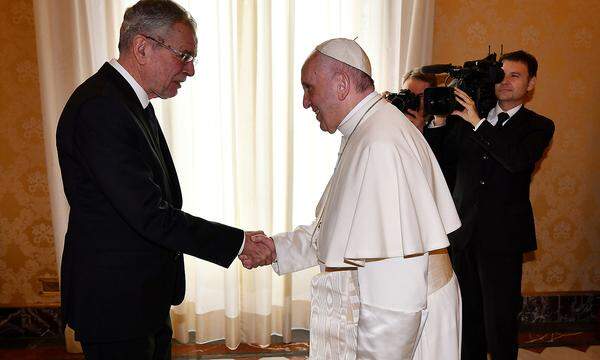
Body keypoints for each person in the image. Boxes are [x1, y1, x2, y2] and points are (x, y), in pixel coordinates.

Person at [56, 1, 274, 358]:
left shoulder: (127, 101)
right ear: (142, 48)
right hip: (115, 302)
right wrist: (236, 242)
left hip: (141, 297)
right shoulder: (100, 108)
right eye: (184, 55)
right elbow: (149, 213)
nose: (190, 69)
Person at [245, 38, 462, 359]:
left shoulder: (381, 144)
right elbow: (335, 226)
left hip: (401, 333)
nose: (306, 102)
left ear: (342, 84)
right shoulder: (368, 129)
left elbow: (396, 301)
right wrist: (277, 248)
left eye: (309, 88)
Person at [424, 50, 555, 360]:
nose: (506, 81)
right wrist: (440, 122)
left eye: (515, 75)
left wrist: (479, 123)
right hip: (463, 232)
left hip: (503, 236)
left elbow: (516, 161)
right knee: (467, 315)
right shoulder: (467, 116)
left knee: (500, 318)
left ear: (531, 83)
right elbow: (440, 164)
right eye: (502, 74)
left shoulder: (539, 125)